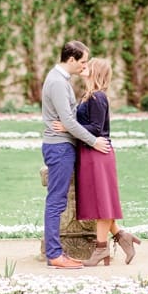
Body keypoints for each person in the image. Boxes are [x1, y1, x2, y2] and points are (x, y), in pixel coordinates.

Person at [53, 57, 142, 266]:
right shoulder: (88, 95)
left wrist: (68, 127)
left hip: (98, 154)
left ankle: (101, 249)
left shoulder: (98, 97)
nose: (84, 67)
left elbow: (96, 127)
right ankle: (121, 236)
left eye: (88, 65)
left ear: (96, 72)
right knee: (99, 202)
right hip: (90, 153)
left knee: (102, 203)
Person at [41, 40, 110, 270]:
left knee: (58, 201)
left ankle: (57, 252)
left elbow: (69, 120)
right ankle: (54, 255)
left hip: (63, 145)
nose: (84, 66)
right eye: (81, 61)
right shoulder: (58, 83)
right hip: (59, 147)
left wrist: (70, 126)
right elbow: (68, 120)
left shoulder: (60, 79)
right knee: (56, 202)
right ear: (70, 60)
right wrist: (93, 141)